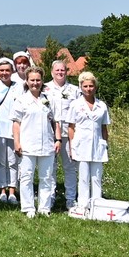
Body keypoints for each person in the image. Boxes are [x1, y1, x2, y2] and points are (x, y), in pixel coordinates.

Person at [8, 68, 58, 217]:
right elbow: (16, 123)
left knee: (46, 177)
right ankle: (28, 207)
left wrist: (58, 140)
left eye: (38, 80)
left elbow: (55, 121)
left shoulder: (48, 99)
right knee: (26, 177)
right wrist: (17, 142)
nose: (35, 83)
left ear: (42, 81)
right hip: (27, 145)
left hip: (47, 144)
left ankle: (44, 208)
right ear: (27, 81)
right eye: (32, 80)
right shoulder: (21, 100)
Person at [65, 73, 111, 217]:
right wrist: (72, 146)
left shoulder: (101, 105)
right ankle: (83, 205)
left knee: (96, 176)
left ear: (95, 87)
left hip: (98, 145)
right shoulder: (75, 104)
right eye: (85, 86)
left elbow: (104, 127)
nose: (88, 89)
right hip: (81, 144)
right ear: (81, 87)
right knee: (83, 177)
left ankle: (97, 205)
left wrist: (105, 144)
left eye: (91, 86)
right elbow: (71, 127)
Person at [43, 59, 81, 212]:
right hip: (49, 133)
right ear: (52, 72)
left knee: (70, 167)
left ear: (67, 72)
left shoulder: (74, 90)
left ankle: (70, 199)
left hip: (68, 133)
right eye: (57, 70)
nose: (60, 72)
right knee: (49, 168)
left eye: (62, 70)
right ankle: (50, 197)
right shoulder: (44, 88)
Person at [0, 57, 19, 203]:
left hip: (15, 129)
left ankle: (12, 191)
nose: (4, 73)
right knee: (0, 161)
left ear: (12, 71)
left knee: (13, 161)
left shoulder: (19, 86)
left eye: (7, 70)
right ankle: (2, 190)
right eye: (1, 70)